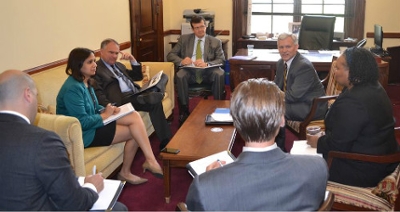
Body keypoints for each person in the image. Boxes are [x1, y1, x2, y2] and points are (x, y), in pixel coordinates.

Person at [186, 78, 328, 211]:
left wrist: (213, 180)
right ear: (282, 120)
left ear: (236, 123)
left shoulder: (204, 186)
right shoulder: (317, 168)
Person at [0, 70, 126, 211]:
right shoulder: (44, 142)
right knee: (118, 208)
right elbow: (76, 204)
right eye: (37, 96)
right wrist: (92, 186)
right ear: (28, 95)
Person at [56, 47, 163, 185]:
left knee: (134, 116)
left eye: (94, 61)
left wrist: (107, 109)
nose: (95, 64)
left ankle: (147, 162)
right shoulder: (73, 88)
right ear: (78, 64)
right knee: (134, 131)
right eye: (90, 62)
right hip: (84, 134)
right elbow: (81, 122)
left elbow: (94, 107)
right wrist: (105, 115)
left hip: (94, 123)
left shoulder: (86, 80)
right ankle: (131, 170)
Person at [307, 47, 399, 187]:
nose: (334, 73)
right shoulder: (373, 87)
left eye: (338, 68)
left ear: (352, 70)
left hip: (364, 168)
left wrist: (317, 142)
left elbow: (338, 145)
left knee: (303, 167)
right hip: (377, 158)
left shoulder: (354, 101)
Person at [93, 38, 172, 150]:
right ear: (101, 51)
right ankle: (166, 141)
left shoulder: (119, 65)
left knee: (163, 76)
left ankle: (153, 94)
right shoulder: (96, 69)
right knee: (154, 103)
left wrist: (132, 60)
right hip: (123, 100)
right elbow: (98, 93)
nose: (114, 56)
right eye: (111, 52)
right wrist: (109, 107)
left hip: (136, 93)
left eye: (116, 53)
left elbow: (137, 76)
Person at [167, 15, 226, 124]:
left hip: (208, 72)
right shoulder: (184, 39)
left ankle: (218, 108)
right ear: (192, 29)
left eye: (202, 26)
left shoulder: (215, 41)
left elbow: (221, 60)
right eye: (197, 28)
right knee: (180, 75)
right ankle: (184, 111)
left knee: (220, 73)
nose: (200, 30)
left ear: (206, 26)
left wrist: (207, 64)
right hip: (190, 71)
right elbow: (170, 55)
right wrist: (182, 61)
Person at [274, 32, 327, 121]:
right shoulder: (280, 63)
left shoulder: (304, 67)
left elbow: (293, 96)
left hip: (309, 106)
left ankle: (275, 134)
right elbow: (276, 86)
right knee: (266, 105)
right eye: (281, 47)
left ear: (296, 47)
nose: (284, 50)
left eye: (288, 47)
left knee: (270, 109)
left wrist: (271, 98)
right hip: (294, 103)